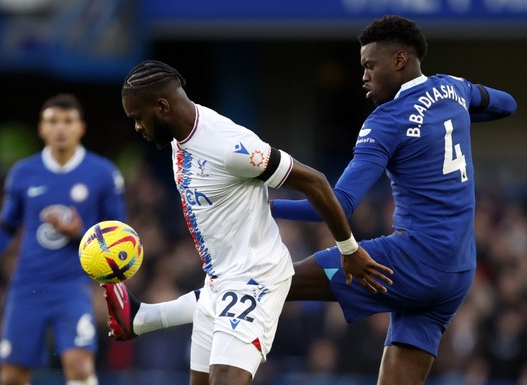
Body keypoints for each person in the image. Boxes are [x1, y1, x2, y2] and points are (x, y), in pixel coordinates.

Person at [102, 16, 518, 385]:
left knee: (270, 278)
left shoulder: (385, 123)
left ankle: (149, 317)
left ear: (399, 60)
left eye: (369, 66)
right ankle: (146, 317)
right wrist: (455, 111)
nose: (363, 76)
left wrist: (263, 206)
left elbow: (339, 202)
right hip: (458, 273)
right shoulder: (454, 90)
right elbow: (507, 104)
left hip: (413, 259)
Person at [103, 59, 392, 385]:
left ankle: (143, 318)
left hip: (255, 279)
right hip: (219, 281)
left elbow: (315, 182)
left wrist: (349, 248)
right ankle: (142, 318)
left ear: (163, 106)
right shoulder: (179, 139)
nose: (137, 127)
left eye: (138, 118)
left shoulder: (230, 146)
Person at [0, 94, 126, 385]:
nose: (61, 128)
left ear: (81, 127)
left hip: (72, 285)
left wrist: (80, 233)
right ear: (41, 129)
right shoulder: (23, 172)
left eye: (68, 121)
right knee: (11, 376)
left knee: (80, 366)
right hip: (28, 285)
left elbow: (119, 235)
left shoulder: (103, 174)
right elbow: (6, 227)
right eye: (53, 121)